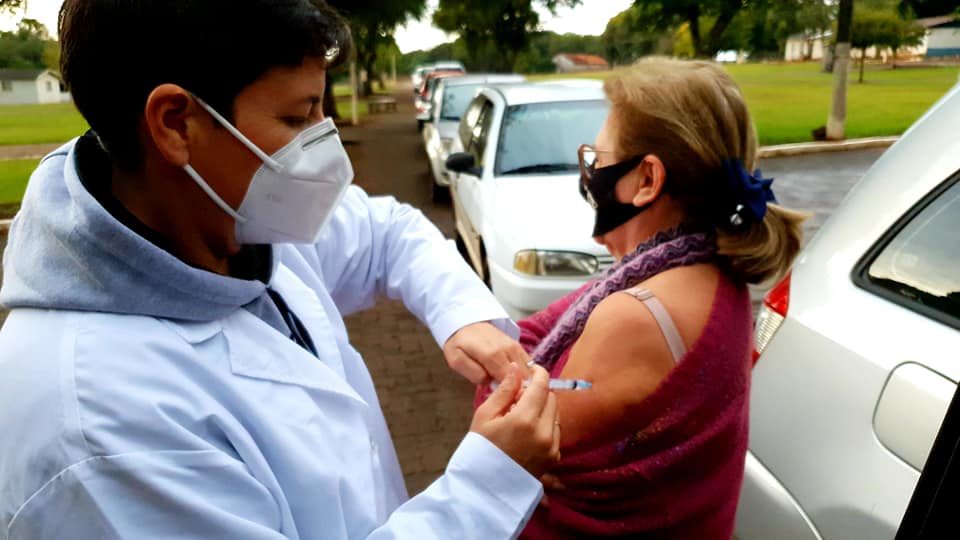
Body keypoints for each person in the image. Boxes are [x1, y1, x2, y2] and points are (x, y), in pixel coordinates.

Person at [0, 1, 561, 539]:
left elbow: (388, 231)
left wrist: (462, 315)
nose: (327, 144)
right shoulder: (99, 430)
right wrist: (488, 485)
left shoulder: (235, 217)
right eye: (298, 117)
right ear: (175, 124)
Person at [476, 58, 808, 538]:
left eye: (598, 160)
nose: (589, 175)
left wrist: (498, 389)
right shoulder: (708, 268)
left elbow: (501, 430)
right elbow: (527, 333)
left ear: (648, 180)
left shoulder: (635, 315)